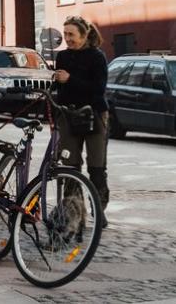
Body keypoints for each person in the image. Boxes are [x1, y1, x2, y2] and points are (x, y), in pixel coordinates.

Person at [52, 15, 110, 220]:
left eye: (71, 34)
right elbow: (59, 89)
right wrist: (54, 83)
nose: (67, 38)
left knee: (96, 167)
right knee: (69, 166)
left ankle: (99, 211)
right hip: (68, 115)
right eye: (65, 33)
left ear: (84, 35)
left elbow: (98, 89)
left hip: (94, 114)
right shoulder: (62, 57)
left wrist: (70, 79)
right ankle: (75, 213)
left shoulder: (97, 57)